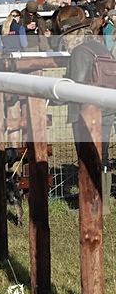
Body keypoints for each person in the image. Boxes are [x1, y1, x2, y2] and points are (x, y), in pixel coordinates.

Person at [63, 22, 116, 179]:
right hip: (107, 107)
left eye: (67, 37)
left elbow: (77, 84)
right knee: (102, 153)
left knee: (85, 156)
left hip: (86, 112)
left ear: (77, 35)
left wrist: (60, 90)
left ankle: (90, 197)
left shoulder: (79, 52)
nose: (65, 41)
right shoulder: (100, 47)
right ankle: (104, 196)